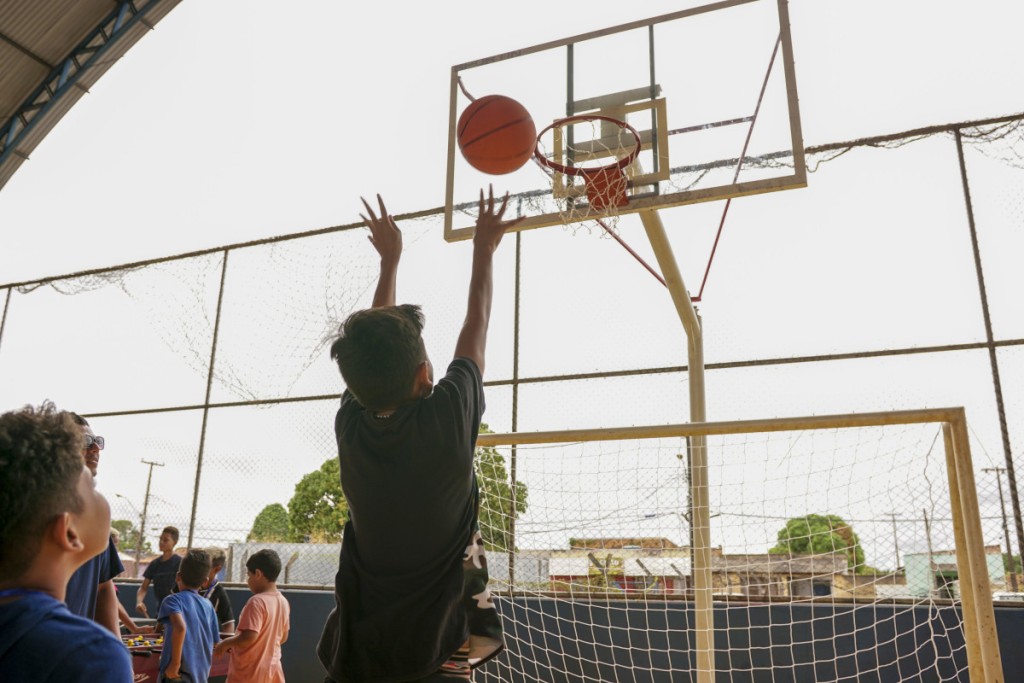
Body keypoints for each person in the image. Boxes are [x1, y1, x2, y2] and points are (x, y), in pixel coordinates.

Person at [317, 188, 517, 682]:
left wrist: (390, 263)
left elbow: (469, 331)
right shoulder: (443, 421)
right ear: (426, 375)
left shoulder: (352, 425)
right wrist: (483, 248)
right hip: (438, 649)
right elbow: (477, 323)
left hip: (357, 654)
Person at [0, 402, 133, 682]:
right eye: (91, 488)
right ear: (69, 531)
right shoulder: (94, 657)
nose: (94, 449)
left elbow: (104, 589)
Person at [64, 413, 124, 634]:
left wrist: (116, 647)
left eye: (97, 441)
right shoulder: (28, 509)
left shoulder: (96, 513)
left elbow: (103, 587)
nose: (96, 448)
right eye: (86, 441)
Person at [214, 549, 290, 683]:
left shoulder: (257, 601)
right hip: (272, 669)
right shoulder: (283, 601)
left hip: (250, 673)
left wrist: (226, 643)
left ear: (258, 574)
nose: (247, 580)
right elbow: (283, 637)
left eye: (249, 575)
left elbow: (249, 637)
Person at [157, 548, 220, 683]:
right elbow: (215, 642)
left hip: (177, 675)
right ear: (205, 581)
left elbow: (180, 627)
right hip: (200, 676)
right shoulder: (208, 605)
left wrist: (175, 664)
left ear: (178, 576)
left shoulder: (172, 600)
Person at [137, 525, 182, 617]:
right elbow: (143, 588)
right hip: (161, 612)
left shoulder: (180, 562)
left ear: (175, 542)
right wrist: (139, 602)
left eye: (165, 540)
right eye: (160, 539)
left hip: (178, 611)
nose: (161, 542)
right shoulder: (154, 564)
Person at [202, 547, 235, 634]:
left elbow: (229, 623)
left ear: (217, 569)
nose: (199, 569)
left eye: (204, 566)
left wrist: (225, 641)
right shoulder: (187, 583)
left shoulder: (219, 592)